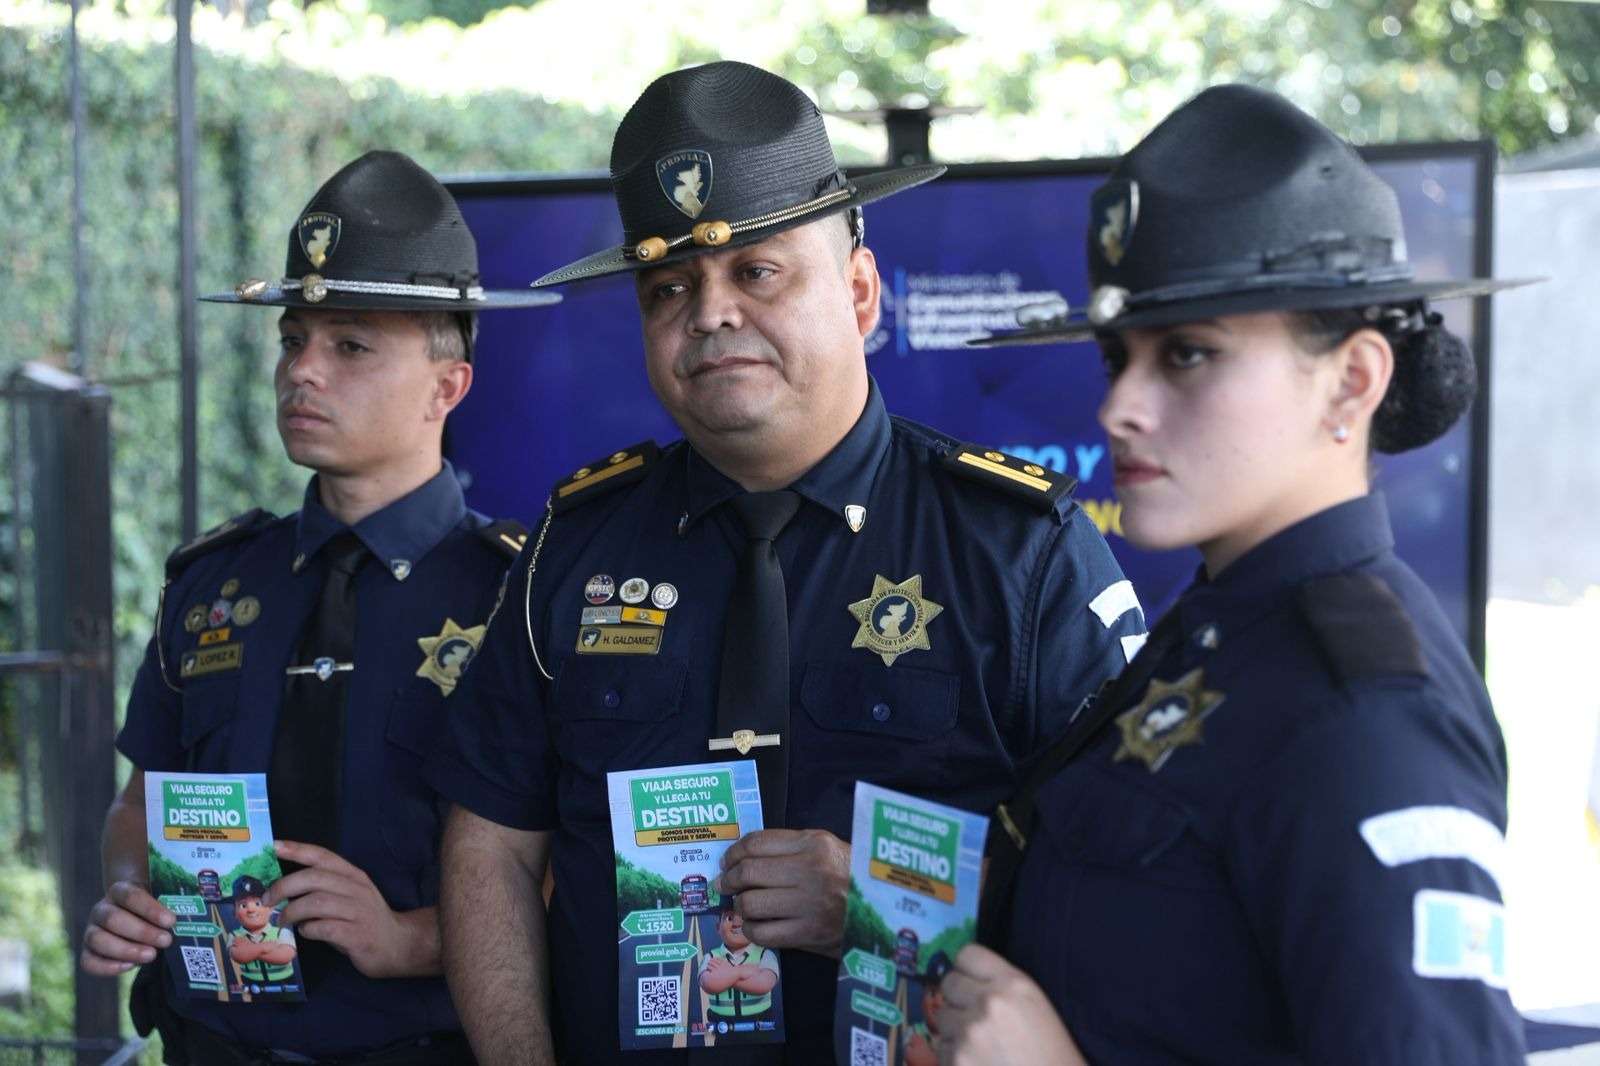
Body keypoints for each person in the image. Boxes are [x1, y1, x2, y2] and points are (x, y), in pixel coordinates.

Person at [422, 60, 1144, 1064]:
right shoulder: (575, 546)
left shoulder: (1019, 554)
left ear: (856, 290)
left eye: (754, 272)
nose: (708, 312)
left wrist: (877, 901)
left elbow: (1125, 888)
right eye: (667, 286)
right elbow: (491, 843)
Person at [939, 84, 1532, 1065]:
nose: (1120, 406)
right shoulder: (1223, 626)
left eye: (1187, 355)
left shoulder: (1367, 713)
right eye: (1117, 356)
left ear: (1351, 379)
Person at [77, 150, 559, 1064]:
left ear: (446, 388)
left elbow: (588, 858)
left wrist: (410, 939)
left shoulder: (519, 594)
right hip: (211, 1042)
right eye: (293, 339)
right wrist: (130, 891)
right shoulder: (217, 585)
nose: (303, 371)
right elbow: (142, 800)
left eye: (350, 346)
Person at [699, 897, 780, 1029]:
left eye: (744, 918)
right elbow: (709, 984)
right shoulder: (710, 956)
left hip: (761, 1025)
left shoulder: (765, 954)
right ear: (718, 927)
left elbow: (765, 984)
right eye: (729, 918)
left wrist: (726, 974)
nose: (737, 923)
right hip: (722, 1027)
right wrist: (741, 972)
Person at [226, 876, 298, 988]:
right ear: (235, 913)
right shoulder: (234, 935)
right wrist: (262, 948)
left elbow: (285, 956)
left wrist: (249, 950)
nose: (251, 909)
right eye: (243, 905)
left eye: (258, 903)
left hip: (285, 984)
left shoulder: (282, 932)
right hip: (252, 985)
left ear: (271, 908)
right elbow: (237, 956)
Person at [901, 951, 949, 1066]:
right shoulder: (913, 1034)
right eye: (932, 993)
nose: (937, 1003)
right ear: (922, 998)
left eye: (945, 998)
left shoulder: (958, 1042)